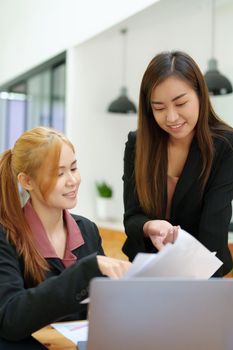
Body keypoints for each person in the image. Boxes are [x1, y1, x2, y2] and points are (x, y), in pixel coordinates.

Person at [0, 126, 131, 341]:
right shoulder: (6, 236)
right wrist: (86, 270)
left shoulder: (87, 230)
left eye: (73, 168)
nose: (72, 180)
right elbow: (10, 318)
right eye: (59, 173)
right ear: (27, 181)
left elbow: (100, 309)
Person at [122, 50, 233, 277]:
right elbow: (132, 218)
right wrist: (149, 226)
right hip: (146, 269)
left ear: (200, 95)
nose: (171, 117)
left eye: (180, 103)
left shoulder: (225, 146)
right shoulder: (138, 143)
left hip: (203, 271)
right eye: (159, 108)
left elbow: (213, 229)